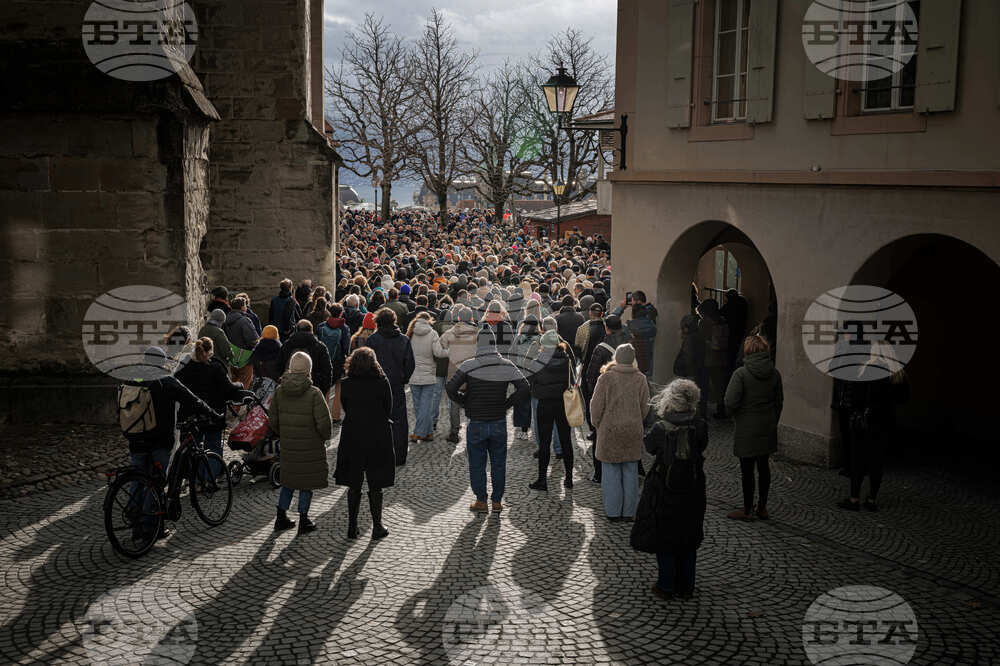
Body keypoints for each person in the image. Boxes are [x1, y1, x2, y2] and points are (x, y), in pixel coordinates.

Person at [120, 346, 220, 540]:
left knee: (139, 476)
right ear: (162, 361)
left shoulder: (133, 378)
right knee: (155, 482)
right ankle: (151, 527)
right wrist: (213, 414)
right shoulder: (165, 380)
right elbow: (192, 400)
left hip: (135, 438)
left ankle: (134, 518)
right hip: (159, 440)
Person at [636, 379, 708, 600]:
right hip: (694, 485)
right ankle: (686, 585)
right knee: (689, 533)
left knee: (664, 533)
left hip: (664, 486)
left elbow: (649, 447)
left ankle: (666, 584)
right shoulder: (700, 425)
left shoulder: (661, 427)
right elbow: (702, 445)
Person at [446, 324, 530, 512]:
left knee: (477, 464)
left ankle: (481, 501)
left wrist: (464, 402)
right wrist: (507, 404)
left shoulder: (469, 365)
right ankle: (497, 501)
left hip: (476, 421)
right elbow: (524, 387)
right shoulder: (506, 364)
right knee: (498, 464)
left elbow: (450, 388)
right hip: (498, 420)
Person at [837, 343, 909, 512]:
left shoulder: (866, 370)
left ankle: (854, 499)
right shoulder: (897, 373)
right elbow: (903, 398)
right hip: (884, 423)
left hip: (864, 423)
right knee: (877, 461)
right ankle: (872, 499)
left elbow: (856, 399)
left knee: (858, 460)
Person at [335, 347, 395, 539]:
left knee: (354, 482)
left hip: (353, 433)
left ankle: (352, 527)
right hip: (377, 434)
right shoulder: (382, 382)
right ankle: (377, 526)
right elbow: (388, 408)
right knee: (375, 482)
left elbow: (346, 406)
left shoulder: (346, 384)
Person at [270, 351, 331, 533]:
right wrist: (323, 437)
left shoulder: (280, 391)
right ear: (308, 370)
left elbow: (272, 418)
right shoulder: (314, 394)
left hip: (289, 444)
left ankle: (281, 516)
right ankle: (304, 520)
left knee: (288, 481)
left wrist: (283, 433)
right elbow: (324, 423)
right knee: (306, 483)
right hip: (310, 446)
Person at [724, 335, 783, 521]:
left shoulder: (741, 373)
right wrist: (773, 420)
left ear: (747, 351)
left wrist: (734, 415)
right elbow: (779, 402)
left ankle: (748, 509)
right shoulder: (774, 373)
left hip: (747, 426)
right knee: (764, 467)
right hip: (767, 425)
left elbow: (730, 401)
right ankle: (763, 507)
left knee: (747, 470)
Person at [590, 343, 650, 520]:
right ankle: (629, 511)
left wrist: (596, 424)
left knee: (611, 471)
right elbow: (645, 406)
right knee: (631, 471)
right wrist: (637, 419)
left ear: (616, 357)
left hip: (610, 430)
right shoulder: (640, 378)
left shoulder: (606, 378)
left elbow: (596, 406)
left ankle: (613, 511)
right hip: (632, 429)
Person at [175, 338, 248, 475]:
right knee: (213, 446)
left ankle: (195, 479)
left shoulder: (184, 367)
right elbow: (228, 388)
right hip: (213, 414)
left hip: (190, 415)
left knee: (192, 448)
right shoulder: (215, 367)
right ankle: (209, 479)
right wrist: (240, 385)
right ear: (210, 351)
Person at [585, 314, 632, 483]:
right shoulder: (630, 343)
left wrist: (594, 396)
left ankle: (599, 473)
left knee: (601, 436)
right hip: (628, 395)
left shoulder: (601, 348)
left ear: (606, 327)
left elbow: (591, 376)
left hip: (607, 398)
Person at [365, 308, 416, 465]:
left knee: (376, 420)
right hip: (395, 383)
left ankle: (378, 454)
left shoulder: (372, 341)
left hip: (376, 384)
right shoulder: (403, 340)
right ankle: (399, 455)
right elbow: (410, 364)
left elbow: (366, 364)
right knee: (399, 421)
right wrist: (403, 378)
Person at [527, 331, 576, 491]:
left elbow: (529, 380)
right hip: (562, 404)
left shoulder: (537, 362)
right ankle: (569, 479)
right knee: (566, 441)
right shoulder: (566, 359)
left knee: (544, 443)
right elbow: (572, 381)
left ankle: (542, 480)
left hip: (545, 404)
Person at [439, 306, 479, 444]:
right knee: (473, 402)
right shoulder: (477, 333)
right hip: (472, 372)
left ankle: (454, 432)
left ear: (459, 318)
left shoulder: (451, 332)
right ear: (472, 318)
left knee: (454, 404)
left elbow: (441, 345)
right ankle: (472, 431)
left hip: (455, 371)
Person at [407, 312, 445, 442]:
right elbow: (438, 353)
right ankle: (423, 433)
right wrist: (451, 351)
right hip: (429, 374)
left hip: (413, 373)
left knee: (419, 406)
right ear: (429, 320)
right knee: (425, 406)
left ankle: (424, 432)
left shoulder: (410, 333)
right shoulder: (433, 333)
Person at [279, 320, 333, 397]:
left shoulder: (287, 345)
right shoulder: (320, 347)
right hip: (313, 387)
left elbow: (279, 366)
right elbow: (327, 370)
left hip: (288, 388)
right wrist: (323, 390)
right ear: (311, 331)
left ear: (296, 330)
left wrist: (281, 382)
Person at [317, 303, 351, 423]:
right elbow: (346, 347)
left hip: (324, 360)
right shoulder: (344, 328)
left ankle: (323, 415)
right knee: (338, 390)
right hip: (338, 361)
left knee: (325, 388)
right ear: (341, 313)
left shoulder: (321, 326)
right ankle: (335, 416)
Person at [509, 314, 541, 441]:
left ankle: (523, 430)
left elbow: (511, 355)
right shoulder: (539, 339)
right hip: (535, 374)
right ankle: (537, 430)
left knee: (521, 402)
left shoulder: (518, 339)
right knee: (536, 402)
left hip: (520, 374)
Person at [613, 291, 657, 379]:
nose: (631, 303)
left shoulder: (627, 329)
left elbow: (612, 320)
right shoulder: (652, 327)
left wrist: (621, 308)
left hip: (631, 367)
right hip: (646, 366)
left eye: (632, 301)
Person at [697, 299, 729, 419]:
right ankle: (721, 409)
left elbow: (700, 340)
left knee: (703, 385)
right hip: (721, 357)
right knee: (719, 385)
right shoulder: (723, 320)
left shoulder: (704, 323)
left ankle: (702, 412)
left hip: (707, 357)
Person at [673, 314, 708, 417]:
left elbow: (688, 358)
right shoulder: (700, 336)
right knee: (700, 397)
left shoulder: (689, 339)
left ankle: (695, 417)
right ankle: (701, 416)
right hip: (700, 370)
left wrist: (690, 374)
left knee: (692, 398)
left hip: (692, 372)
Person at [223, 296, 260, 390]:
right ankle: (237, 405)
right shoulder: (245, 321)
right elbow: (253, 340)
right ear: (243, 307)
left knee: (234, 382)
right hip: (245, 357)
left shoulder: (225, 320)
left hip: (232, 357)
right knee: (244, 385)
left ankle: (232, 403)